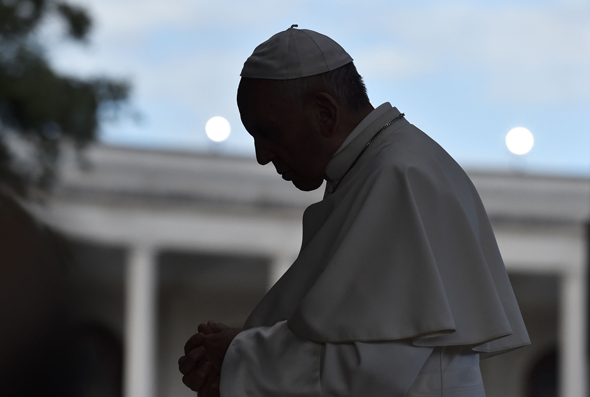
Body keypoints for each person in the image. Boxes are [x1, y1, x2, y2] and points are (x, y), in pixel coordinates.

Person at [178, 26, 530, 397]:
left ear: (325, 113)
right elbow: (349, 335)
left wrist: (238, 357)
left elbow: (367, 370)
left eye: (268, 133)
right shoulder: (376, 168)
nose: (262, 155)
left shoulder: (400, 176)